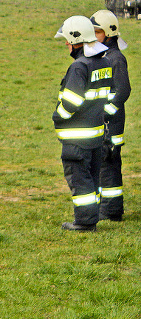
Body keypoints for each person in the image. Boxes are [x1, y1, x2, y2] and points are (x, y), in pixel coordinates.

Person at [54, 15, 112, 231]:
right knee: (92, 177)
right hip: (97, 134)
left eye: (67, 41)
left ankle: (85, 223)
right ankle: (92, 217)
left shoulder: (79, 66)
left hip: (77, 138)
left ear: (75, 39)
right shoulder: (105, 62)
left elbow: (71, 103)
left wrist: (57, 116)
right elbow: (110, 93)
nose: (67, 45)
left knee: (80, 179)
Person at [91, 9, 131, 222]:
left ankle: (111, 210)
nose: (93, 37)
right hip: (104, 123)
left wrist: (105, 114)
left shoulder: (116, 59)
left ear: (108, 33)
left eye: (97, 32)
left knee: (109, 165)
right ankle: (105, 207)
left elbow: (122, 92)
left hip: (111, 126)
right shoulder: (104, 56)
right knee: (102, 164)